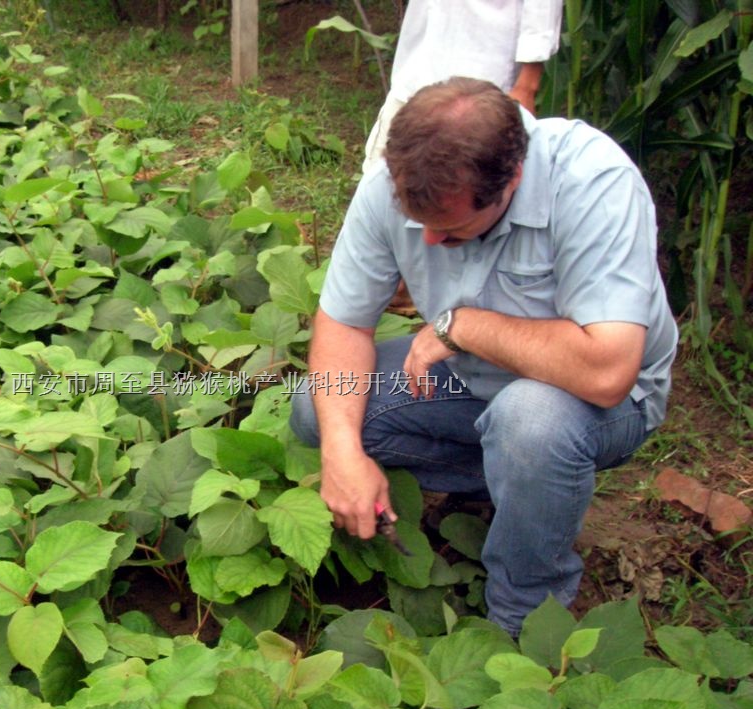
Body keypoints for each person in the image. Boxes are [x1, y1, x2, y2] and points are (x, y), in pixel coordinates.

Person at [290, 77, 679, 636]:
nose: (426, 243)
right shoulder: (393, 186)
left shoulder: (593, 181)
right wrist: (343, 452)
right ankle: (524, 487)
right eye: (417, 222)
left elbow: (608, 371)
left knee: (532, 422)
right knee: (319, 411)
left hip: (599, 402)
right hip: (468, 382)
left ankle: (523, 619)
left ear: (512, 178)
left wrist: (464, 326)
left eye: (450, 230)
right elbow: (344, 325)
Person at [364, 1, 563, 173]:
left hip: (482, 83)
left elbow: (541, 8)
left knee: (460, 188)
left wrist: (526, 86)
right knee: (380, 177)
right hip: (416, 71)